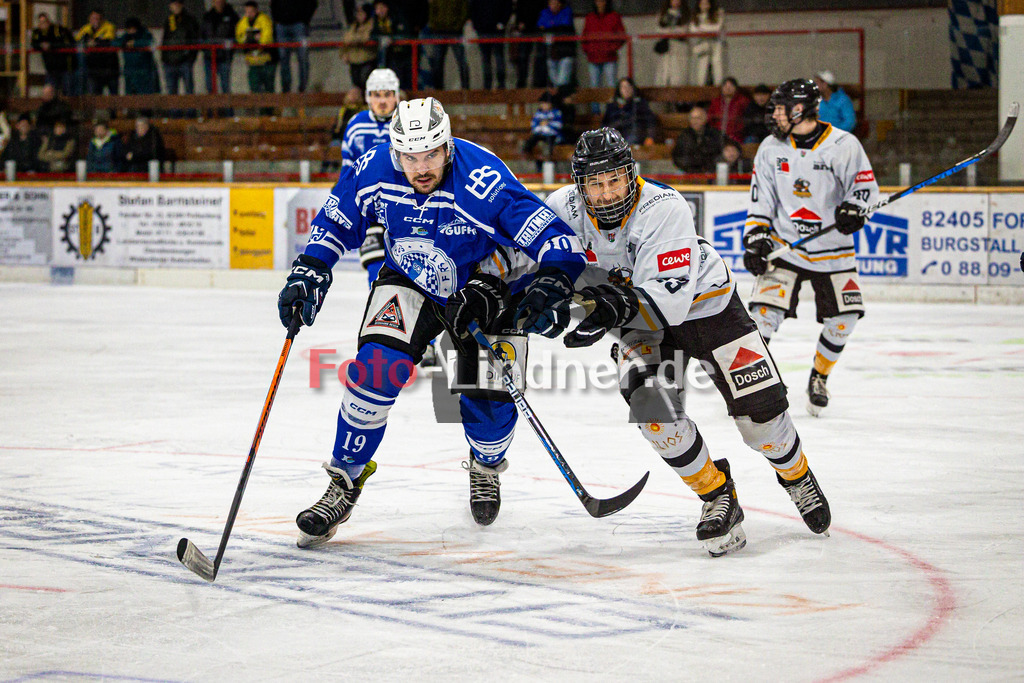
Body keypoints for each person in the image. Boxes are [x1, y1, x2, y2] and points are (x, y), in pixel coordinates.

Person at [278, 97, 585, 545]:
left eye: (430, 155)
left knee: (491, 409)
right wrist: (312, 266)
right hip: (409, 276)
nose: (420, 167)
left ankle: (484, 462)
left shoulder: (484, 179)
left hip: (481, 289)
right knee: (373, 372)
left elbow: (555, 239)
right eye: (410, 157)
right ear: (395, 151)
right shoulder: (372, 168)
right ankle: (343, 481)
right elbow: (338, 219)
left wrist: (554, 279)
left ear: (447, 147)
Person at [544, 127, 831, 556]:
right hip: (638, 323)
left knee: (762, 422)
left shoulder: (664, 207)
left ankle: (795, 474)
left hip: (707, 310)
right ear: (579, 184)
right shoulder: (563, 207)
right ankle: (717, 495)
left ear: (630, 175)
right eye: (595, 184)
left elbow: (669, 305)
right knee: (652, 412)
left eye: (614, 181)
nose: (605, 194)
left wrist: (601, 309)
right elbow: (531, 261)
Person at [742, 78, 878, 415]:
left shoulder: (844, 145)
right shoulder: (770, 148)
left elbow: (864, 188)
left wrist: (853, 210)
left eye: (780, 107)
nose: (773, 114)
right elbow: (761, 201)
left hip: (834, 250)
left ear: (800, 109)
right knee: (762, 318)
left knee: (844, 320)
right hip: (787, 247)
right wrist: (756, 238)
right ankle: (762, 384)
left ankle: (819, 377)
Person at [341, 67, 400, 286]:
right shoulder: (356, 125)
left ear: (396, 96)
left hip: (407, 207)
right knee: (375, 267)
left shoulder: (409, 121)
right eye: (377, 95)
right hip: (370, 210)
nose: (382, 101)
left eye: (387, 94)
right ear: (368, 97)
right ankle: (380, 315)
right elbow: (348, 171)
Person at [271, 0, 317, 93]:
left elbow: (313, 3)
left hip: (299, 25)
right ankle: (286, 91)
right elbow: (273, 4)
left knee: (303, 58)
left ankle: (302, 90)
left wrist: (305, 20)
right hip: (282, 25)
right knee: (283, 60)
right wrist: (277, 19)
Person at [423, 0, 470, 91]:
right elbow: (432, 10)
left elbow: (464, 10)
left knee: (461, 61)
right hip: (439, 32)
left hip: (455, 32)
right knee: (437, 62)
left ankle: (466, 89)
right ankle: (439, 90)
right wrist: (434, 25)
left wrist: (458, 26)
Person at [581, 0, 625, 90]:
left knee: (611, 86)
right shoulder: (590, 17)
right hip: (593, 58)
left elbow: (622, 36)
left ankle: (613, 104)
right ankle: (595, 105)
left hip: (610, 58)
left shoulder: (614, 16)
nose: (600, 3)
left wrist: (612, 48)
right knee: (594, 87)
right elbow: (584, 37)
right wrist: (589, 50)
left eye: (602, 1)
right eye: (598, 1)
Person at [161, 1, 201, 97]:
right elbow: (165, 39)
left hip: (185, 61)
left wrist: (190, 58)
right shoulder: (169, 20)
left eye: (177, 4)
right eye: (173, 4)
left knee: (189, 90)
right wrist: (164, 58)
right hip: (169, 61)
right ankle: (174, 112)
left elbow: (194, 39)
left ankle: (190, 112)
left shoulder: (190, 20)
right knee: (172, 92)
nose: (175, 7)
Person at [601, 77, 657, 146]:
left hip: (635, 135)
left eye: (628, 87)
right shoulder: (612, 105)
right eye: (623, 87)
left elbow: (650, 121)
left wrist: (650, 137)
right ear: (619, 89)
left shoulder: (639, 104)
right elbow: (605, 124)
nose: (626, 90)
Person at [237, 1, 276, 97]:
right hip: (252, 62)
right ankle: (258, 111)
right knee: (254, 90)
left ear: (256, 10)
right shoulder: (243, 22)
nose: (249, 14)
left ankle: (269, 111)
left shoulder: (264, 20)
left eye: (251, 11)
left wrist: (255, 39)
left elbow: (267, 37)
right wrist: (250, 38)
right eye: (247, 11)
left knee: (268, 89)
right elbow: (239, 37)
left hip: (265, 61)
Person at [370, 0, 412, 90]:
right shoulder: (375, 21)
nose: (380, 11)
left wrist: (392, 38)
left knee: (402, 80)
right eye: (377, 8)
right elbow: (372, 35)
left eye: (382, 7)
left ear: (387, 8)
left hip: (401, 55)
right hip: (386, 57)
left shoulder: (397, 17)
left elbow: (405, 33)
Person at [74, 11, 119, 95]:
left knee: (114, 97)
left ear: (102, 20)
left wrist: (95, 43)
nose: (95, 21)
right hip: (94, 69)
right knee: (95, 96)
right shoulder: (86, 28)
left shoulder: (109, 26)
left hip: (109, 68)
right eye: (93, 18)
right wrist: (87, 43)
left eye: (98, 18)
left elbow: (108, 40)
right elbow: (78, 40)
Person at [671, 105, 723, 175]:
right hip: (687, 170)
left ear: (705, 119)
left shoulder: (714, 135)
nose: (695, 121)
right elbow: (678, 156)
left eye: (698, 118)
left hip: (708, 171)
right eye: (692, 118)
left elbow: (717, 155)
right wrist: (689, 168)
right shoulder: (684, 136)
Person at [470, 0, 511, 90]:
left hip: (497, 31)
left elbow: (507, 7)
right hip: (483, 30)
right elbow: (473, 8)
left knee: (499, 57)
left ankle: (501, 83)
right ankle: (487, 84)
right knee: (485, 58)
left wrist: (502, 23)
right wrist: (477, 26)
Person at [202, 0, 240, 94]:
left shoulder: (232, 16)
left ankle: (227, 108)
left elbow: (237, 34)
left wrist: (230, 46)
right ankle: (212, 108)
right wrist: (205, 48)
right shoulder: (207, 16)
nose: (218, 2)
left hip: (225, 56)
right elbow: (202, 35)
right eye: (216, 1)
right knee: (210, 85)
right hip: (209, 56)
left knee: (225, 85)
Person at [31, 13, 74, 93]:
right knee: (50, 91)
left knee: (67, 92)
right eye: (41, 22)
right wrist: (41, 45)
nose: (43, 24)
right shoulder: (37, 32)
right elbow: (34, 44)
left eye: (45, 22)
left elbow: (65, 43)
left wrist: (50, 45)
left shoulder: (58, 29)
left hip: (64, 67)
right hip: (50, 68)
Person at [115, 18, 160, 96]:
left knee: (146, 98)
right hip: (130, 72)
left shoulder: (145, 35)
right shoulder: (126, 37)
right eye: (129, 29)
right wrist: (125, 43)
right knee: (131, 98)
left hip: (144, 72)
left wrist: (135, 43)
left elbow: (150, 43)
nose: (131, 31)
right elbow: (115, 43)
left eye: (133, 29)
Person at [538, 0, 575, 88]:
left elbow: (564, 28)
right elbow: (540, 28)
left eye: (555, 3)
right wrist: (554, 28)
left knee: (562, 83)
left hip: (565, 53)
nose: (553, 5)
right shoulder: (545, 12)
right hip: (551, 53)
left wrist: (549, 28)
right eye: (551, 3)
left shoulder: (567, 12)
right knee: (554, 84)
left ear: (560, 4)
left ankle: (561, 100)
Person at [511, 0, 547, 88]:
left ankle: (538, 83)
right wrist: (519, 22)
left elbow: (546, 7)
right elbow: (519, 7)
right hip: (525, 27)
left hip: (540, 27)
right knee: (523, 57)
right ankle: (521, 82)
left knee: (540, 57)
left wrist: (543, 22)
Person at [342, 3, 377, 90]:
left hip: (366, 60)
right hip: (353, 61)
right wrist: (344, 54)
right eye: (357, 13)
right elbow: (346, 39)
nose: (359, 15)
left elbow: (365, 38)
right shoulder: (353, 26)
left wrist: (354, 39)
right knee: (356, 86)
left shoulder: (372, 24)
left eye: (361, 13)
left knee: (367, 86)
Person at [655, 0, 689, 87]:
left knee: (678, 75)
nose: (676, 2)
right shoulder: (662, 14)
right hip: (665, 47)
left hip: (679, 47)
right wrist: (670, 32)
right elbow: (659, 29)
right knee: (664, 74)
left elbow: (684, 30)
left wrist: (672, 32)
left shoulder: (685, 14)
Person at [689, 0, 723, 86]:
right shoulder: (695, 16)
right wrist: (707, 28)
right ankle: (701, 89)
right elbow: (692, 29)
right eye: (702, 4)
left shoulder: (718, 13)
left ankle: (718, 87)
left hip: (716, 43)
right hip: (702, 44)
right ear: (699, 5)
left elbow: (716, 28)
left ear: (710, 5)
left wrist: (700, 28)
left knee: (717, 65)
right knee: (702, 67)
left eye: (706, 3)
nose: (704, 6)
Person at [522, 90, 563, 160]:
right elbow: (533, 124)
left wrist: (548, 124)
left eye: (546, 104)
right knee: (532, 140)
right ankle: (527, 154)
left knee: (550, 142)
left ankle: (548, 156)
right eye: (542, 104)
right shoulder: (538, 114)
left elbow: (559, 125)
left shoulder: (556, 113)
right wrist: (540, 127)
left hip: (551, 134)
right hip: (539, 133)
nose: (544, 106)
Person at [707, 76, 748, 144]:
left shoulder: (742, 101)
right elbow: (710, 118)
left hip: (736, 136)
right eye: (725, 86)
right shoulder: (716, 102)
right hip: (717, 136)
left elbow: (745, 120)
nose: (728, 88)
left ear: (735, 88)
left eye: (731, 86)